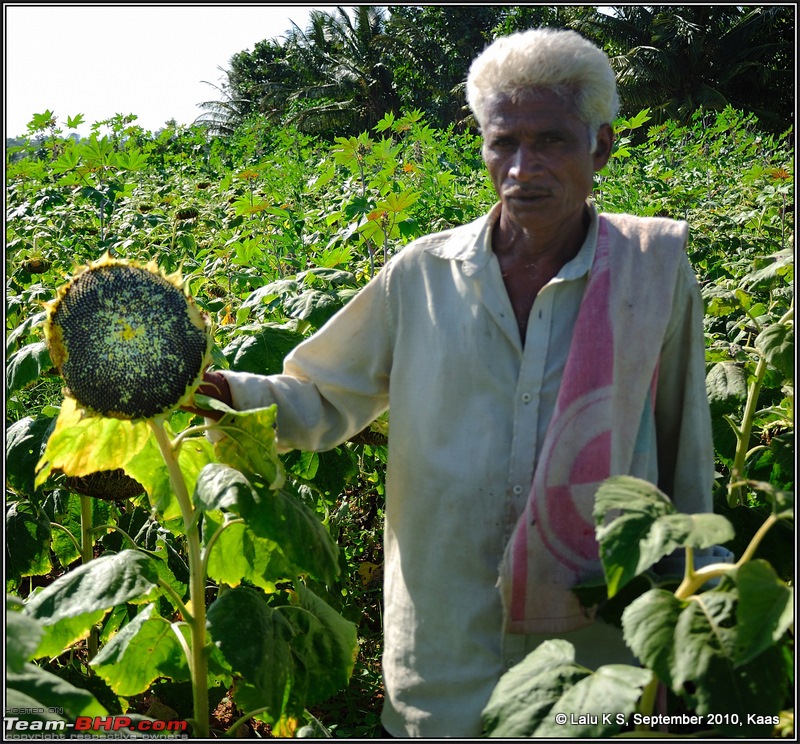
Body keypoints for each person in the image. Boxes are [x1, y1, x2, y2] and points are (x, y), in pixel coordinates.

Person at [193, 28, 714, 738]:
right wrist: (221, 393)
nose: (523, 168)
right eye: (504, 142)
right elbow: (321, 398)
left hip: (597, 650)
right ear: (482, 145)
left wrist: (694, 612)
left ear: (601, 146)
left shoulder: (651, 270)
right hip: (444, 647)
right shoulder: (422, 275)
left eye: (553, 140)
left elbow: (685, 449)